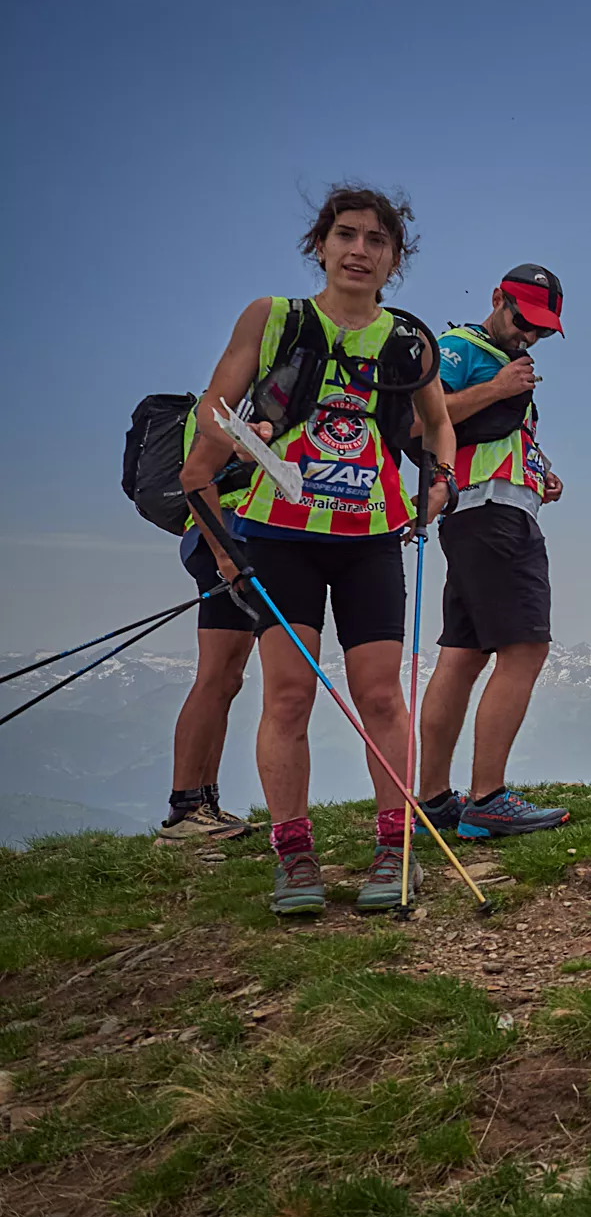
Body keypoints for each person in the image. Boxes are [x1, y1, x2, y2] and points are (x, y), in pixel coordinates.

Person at [181, 184, 456, 916]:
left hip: (370, 537)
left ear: (395, 258)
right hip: (279, 534)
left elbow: (435, 425)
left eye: (376, 240)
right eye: (346, 235)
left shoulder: (408, 340)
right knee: (291, 694)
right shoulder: (275, 319)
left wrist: (440, 482)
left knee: (379, 695)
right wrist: (237, 446)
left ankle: (395, 851)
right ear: (321, 245)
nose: (360, 250)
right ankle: (293, 855)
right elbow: (212, 408)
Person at [412, 265, 572, 839]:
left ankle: (432, 799)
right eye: (524, 321)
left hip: (484, 511)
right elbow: (417, 420)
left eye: (543, 331)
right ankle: (487, 798)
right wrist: (499, 389)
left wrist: (540, 474)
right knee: (525, 649)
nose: (530, 336)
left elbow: (495, 438)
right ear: (497, 299)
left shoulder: (499, 358)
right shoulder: (459, 348)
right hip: (493, 519)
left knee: (463, 654)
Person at [159, 408, 262, 842]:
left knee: (228, 679)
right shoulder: (220, 404)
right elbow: (198, 473)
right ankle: (185, 810)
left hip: (237, 539)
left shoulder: (253, 401)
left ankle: (205, 803)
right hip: (225, 539)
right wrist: (224, 556)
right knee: (216, 675)